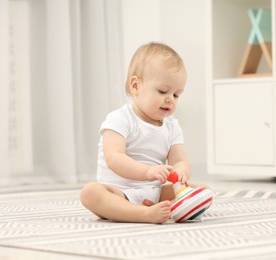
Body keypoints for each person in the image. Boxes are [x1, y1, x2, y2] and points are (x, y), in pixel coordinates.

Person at [80, 42, 200, 224]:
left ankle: (157, 208)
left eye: (176, 95)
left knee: (199, 190)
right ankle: (141, 213)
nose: (170, 100)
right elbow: (114, 158)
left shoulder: (172, 126)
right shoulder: (119, 119)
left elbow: (179, 160)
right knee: (90, 193)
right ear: (135, 86)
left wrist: (181, 172)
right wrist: (148, 171)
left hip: (154, 192)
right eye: (163, 91)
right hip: (119, 192)